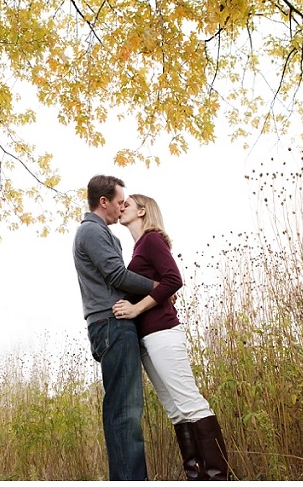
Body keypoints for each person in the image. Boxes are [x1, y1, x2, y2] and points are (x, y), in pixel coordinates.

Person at [112, 193, 231, 481]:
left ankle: (218, 478)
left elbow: (174, 279)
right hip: (145, 338)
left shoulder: (152, 239)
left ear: (142, 211)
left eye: (127, 204)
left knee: (190, 403)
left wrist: (136, 308)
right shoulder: (138, 249)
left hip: (163, 332)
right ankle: (196, 476)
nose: (121, 207)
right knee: (176, 411)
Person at [72, 175, 159, 481]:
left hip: (113, 325)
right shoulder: (91, 231)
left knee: (124, 410)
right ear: (103, 201)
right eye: (120, 202)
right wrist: (159, 287)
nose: (122, 207)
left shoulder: (104, 235)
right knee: (125, 412)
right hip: (112, 325)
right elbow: (117, 276)